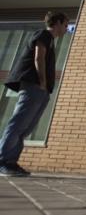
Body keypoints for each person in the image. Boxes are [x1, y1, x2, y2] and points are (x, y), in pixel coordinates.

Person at [0, 12, 69, 177]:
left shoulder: (50, 40)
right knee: (18, 124)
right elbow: (39, 58)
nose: (66, 29)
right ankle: (2, 160)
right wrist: (42, 81)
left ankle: (11, 162)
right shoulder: (43, 34)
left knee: (25, 128)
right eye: (65, 25)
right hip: (34, 85)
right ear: (57, 23)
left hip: (41, 89)